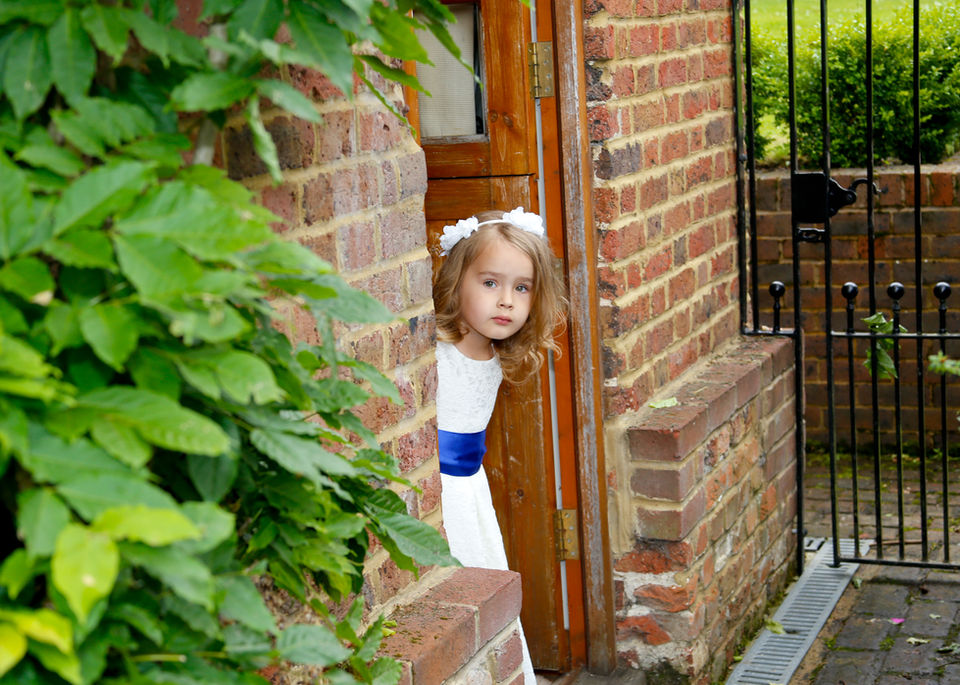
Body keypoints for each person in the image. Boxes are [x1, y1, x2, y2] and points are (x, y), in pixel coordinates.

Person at [433, 207, 566, 683]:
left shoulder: (492, 354)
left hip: (470, 494)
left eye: (521, 287)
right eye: (490, 283)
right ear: (456, 281)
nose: (506, 300)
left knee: (484, 586)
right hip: (439, 497)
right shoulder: (433, 350)